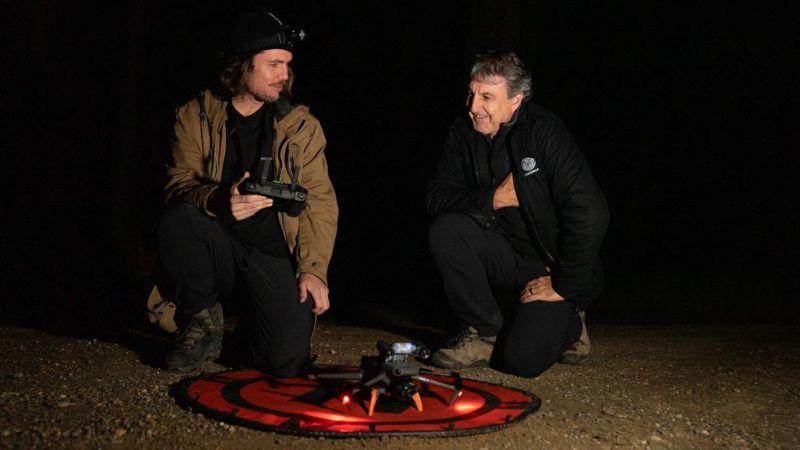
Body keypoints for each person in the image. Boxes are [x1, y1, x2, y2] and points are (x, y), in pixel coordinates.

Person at [154, 9, 338, 375]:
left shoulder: (300, 126)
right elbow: (177, 185)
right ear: (242, 65)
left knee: (283, 362)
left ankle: (254, 325)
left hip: (269, 253)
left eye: (286, 64)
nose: (283, 75)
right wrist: (221, 200)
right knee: (178, 220)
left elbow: (319, 199)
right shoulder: (197, 114)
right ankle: (200, 321)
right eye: (273, 64)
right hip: (217, 245)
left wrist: (313, 270)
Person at [426, 51, 608, 377]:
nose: (473, 107)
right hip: (503, 251)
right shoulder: (463, 132)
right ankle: (483, 331)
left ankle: (572, 320)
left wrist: (566, 282)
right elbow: (436, 198)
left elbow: (591, 210)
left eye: (486, 97)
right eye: (471, 93)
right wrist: (493, 199)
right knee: (446, 230)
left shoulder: (544, 132)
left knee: (520, 361)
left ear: (516, 100)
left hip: (551, 263)